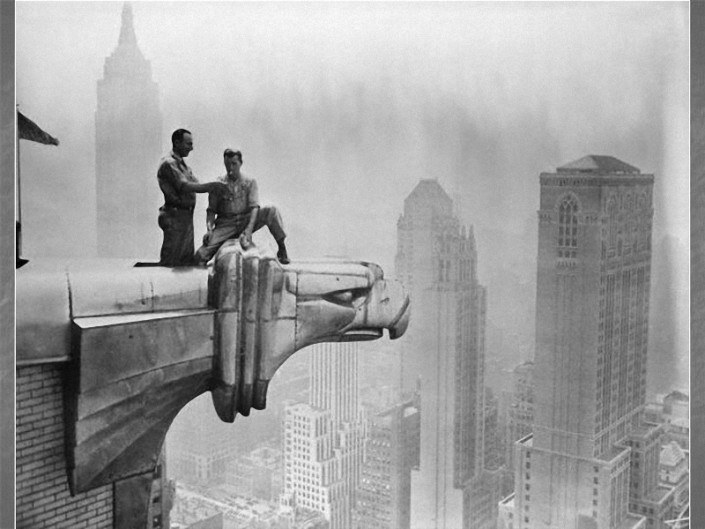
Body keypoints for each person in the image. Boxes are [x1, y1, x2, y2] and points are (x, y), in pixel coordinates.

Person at [195, 149, 290, 265]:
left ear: (240, 163)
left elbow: (254, 207)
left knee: (271, 210)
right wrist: (209, 230)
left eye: (234, 164)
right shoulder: (218, 184)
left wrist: (249, 230)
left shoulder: (249, 182)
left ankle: (282, 249)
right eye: (227, 164)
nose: (230, 168)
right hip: (226, 225)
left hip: (245, 220)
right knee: (200, 255)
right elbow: (211, 211)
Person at [157, 129, 229, 266]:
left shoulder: (183, 165)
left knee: (185, 261)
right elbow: (185, 186)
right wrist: (212, 186)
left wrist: (216, 184)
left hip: (185, 218)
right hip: (175, 218)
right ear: (177, 143)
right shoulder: (169, 163)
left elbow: (197, 183)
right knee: (172, 262)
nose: (191, 148)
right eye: (188, 144)